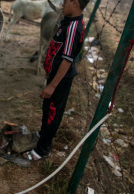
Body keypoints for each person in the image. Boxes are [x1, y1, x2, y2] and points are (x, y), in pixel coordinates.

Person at [24, 0, 90, 161]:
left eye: (66, 2)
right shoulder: (66, 22)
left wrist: (52, 86)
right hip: (53, 76)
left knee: (53, 113)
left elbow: (67, 60)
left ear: (75, 3)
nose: (62, 5)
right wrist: (49, 72)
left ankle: (42, 150)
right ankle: (42, 133)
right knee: (47, 108)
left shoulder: (74, 28)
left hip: (60, 81)